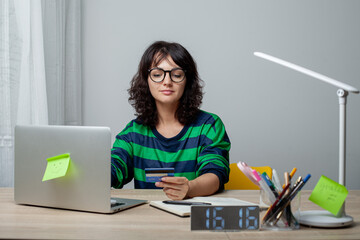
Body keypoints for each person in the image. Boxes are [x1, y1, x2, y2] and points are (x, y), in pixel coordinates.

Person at [111, 41, 230, 200]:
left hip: (192, 218)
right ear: (146, 80)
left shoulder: (209, 126)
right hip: (147, 218)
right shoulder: (134, 132)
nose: (167, 81)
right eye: (157, 74)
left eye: (176, 74)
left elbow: (215, 175)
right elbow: (114, 170)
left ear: (187, 81)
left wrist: (189, 188)